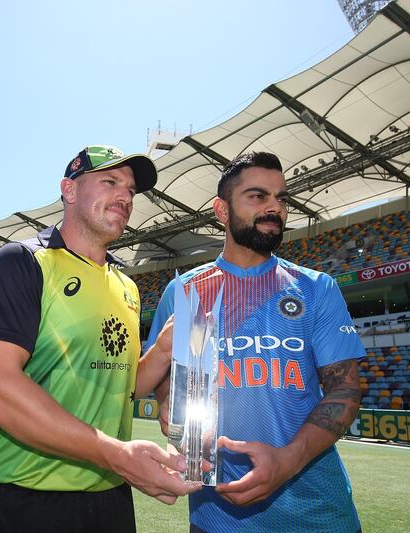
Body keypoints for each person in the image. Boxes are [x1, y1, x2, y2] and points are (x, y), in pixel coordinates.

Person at [0, 145, 198, 533]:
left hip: (112, 498)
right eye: (110, 182)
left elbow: (119, 388)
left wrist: (162, 351)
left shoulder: (127, 286)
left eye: (130, 190)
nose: (125, 196)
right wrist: (116, 454)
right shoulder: (23, 262)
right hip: (30, 498)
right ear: (69, 190)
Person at [148, 152, 365, 532]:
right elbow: (163, 376)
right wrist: (169, 402)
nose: (274, 208)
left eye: (281, 198)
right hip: (215, 516)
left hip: (317, 515)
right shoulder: (184, 292)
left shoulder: (316, 288)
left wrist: (287, 461)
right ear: (221, 209)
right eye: (257, 196)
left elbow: (345, 389)